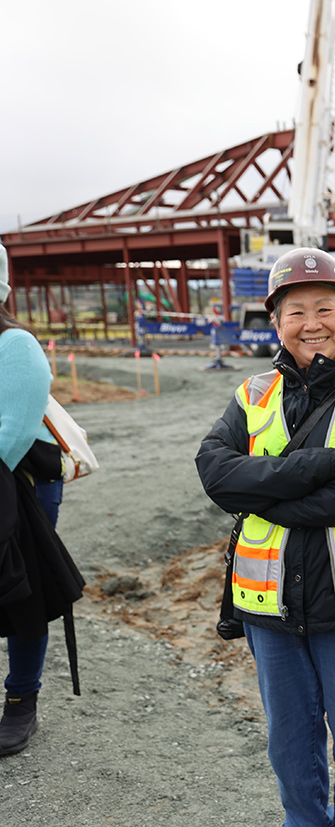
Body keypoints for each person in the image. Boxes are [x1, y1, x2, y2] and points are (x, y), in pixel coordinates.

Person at [196, 247, 335, 827]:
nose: (311, 323)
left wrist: (265, 497)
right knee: (290, 749)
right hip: (269, 607)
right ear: (276, 322)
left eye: (325, 308)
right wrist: (321, 465)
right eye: (296, 312)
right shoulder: (252, 395)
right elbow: (215, 473)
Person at [0, 242, 83, 757]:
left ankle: (20, 701)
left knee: (21, 591)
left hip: (21, 485)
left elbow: (12, 431)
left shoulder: (16, 345)